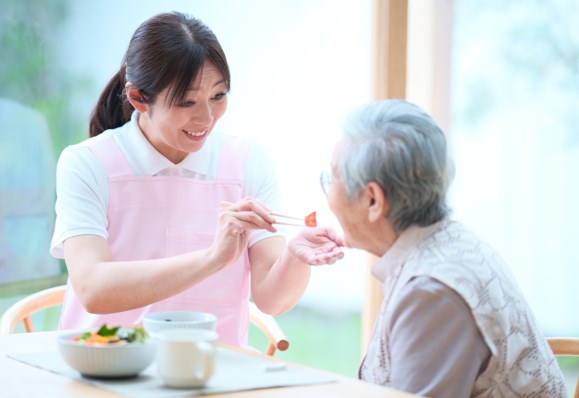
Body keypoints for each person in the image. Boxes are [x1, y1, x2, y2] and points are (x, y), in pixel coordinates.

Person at [50, 11, 343, 347]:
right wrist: (212, 257)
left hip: (213, 372)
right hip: (105, 366)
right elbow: (93, 289)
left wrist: (294, 256)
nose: (206, 117)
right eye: (187, 101)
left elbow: (272, 300)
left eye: (218, 96)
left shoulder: (247, 162)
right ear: (138, 98)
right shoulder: (87, 164)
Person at [321, 99, 567, 397]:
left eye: (332, 178)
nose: (327, 189)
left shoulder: (430, 292)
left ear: (373, 200)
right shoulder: (449, 240)